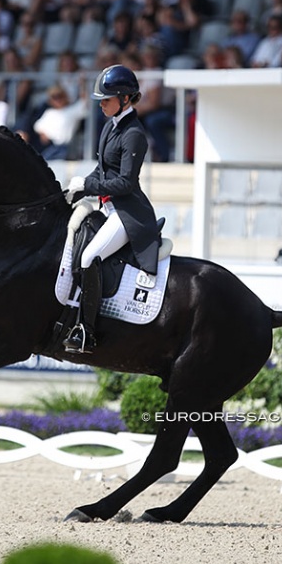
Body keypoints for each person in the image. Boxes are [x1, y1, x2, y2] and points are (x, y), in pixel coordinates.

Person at [62, 64, 160, 354]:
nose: (101, 104)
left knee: (90, 257)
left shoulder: (134, 134)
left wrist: (90, 187)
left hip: (127, 214)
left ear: (125, 99)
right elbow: (101, 170)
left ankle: (85, 332)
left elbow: (125, 183)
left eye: (106, 99)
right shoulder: (109, 127)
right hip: (106, 208)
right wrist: (79, 186)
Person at [33, 84, 87, 160]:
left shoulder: (72, 110)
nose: (58, 100)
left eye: (60, 96)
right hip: (49, 146)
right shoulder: (49, 112)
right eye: (54, 97)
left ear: (66, 97)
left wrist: (83, 84)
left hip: (65, 148)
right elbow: (38, 126)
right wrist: (43, 133)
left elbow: (85, 102)